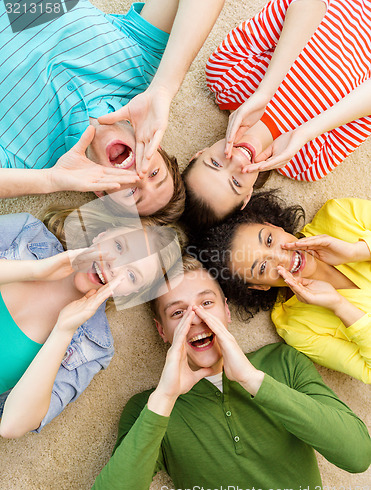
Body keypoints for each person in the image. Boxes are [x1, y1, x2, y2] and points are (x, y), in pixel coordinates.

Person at [89, 257, 371, 490]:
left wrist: (253, 380)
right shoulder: (147, 409)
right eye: (178, 313)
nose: (196, 318)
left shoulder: (284, 362)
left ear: (226, 311)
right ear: (162, 331)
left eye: (206, 303)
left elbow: (358, 455)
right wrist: (164, 399)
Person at [0, 0, 224, 222]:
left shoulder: (26, 161)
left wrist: (51, 180)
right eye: (155, 174)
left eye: (131, 193)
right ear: (157, 147)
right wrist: (164, 88)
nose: (140, 177)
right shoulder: (140, 65)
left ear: (101, 193)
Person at [182, 0, 371, 229]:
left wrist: (264, 92)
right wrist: (306, 132)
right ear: (246, 197)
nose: (238, 161)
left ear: (198, 154)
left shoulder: (225, 77)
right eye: (235, 182)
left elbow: (311, 4)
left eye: (215, 162)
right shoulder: (308, 165)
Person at [0, 202, 182, 438]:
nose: (115, 267)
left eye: (131, 275)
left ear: (130, 294)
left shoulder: (94, 348)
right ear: (102, 235)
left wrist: (63, 331)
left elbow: (11, 425)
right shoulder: (27, 232)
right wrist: (37, 270)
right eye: (119, 246)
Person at [194, 193, 371, 383]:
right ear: (260, 286)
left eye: (269, 240)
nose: (281, 257)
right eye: (262, 267)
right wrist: (340, 306)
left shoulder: (339, 215)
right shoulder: (296, 327)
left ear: (272, 225)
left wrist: (356, 251)